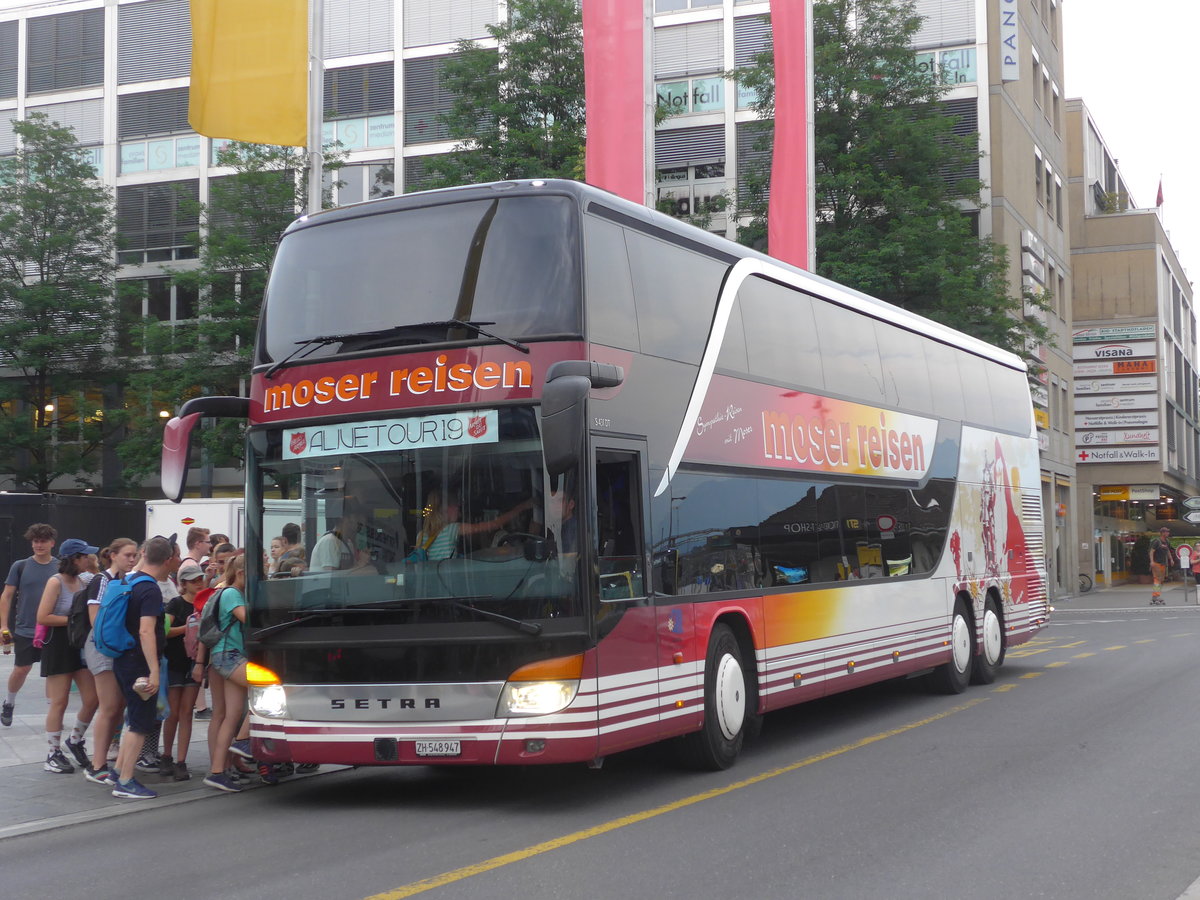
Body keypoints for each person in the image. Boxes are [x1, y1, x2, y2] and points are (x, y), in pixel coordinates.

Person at [110, 536, 172, 800]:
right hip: (140, 664)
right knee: (139, 722)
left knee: (131, 716)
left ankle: (117, 769)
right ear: (168, 560)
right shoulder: (150, 589)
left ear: (144, 554)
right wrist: (154, 671)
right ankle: (125, 781)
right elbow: (146, 631)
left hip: (123, 658)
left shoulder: (130, 580)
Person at [35, 538, 100, 774]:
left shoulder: (83, 581)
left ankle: (75, 740)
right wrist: (75, 621)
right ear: (74, 558)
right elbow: (43, 616)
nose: (89, 560)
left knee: (93, 698)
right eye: (85, 557)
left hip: (78, 644)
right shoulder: (56, 582)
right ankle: (52, 753)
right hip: (58, 645)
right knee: (59, 701)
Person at [83, 538, 139, 783]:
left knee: (116, 706)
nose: (132, 559)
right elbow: (96, 621)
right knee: (108, 707)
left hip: (114, 647)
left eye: (135, 555)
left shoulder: (123, 580)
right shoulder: (102, 580)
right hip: (102, 647)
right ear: (113, 555)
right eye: (128, 555)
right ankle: (96, 764)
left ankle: (104, 759)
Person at [196, 552, 251, 792]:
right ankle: (243, 740)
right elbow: (248, 619)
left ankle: (217, 772)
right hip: (229, 655)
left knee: (232, 713)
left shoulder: (229, 591)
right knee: (271, 688)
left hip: (227, 656)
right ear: (240, 573)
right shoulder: (231, 593)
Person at [0, 524, 59, 727]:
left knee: (53, 672)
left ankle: (54, 712)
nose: (39, 545)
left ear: (52, 543)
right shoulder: (21, 565)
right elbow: (6, 596)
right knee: (21, 669)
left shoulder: (60, 567)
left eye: (43, 541)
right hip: (26, 627)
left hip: (52, 628)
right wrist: (3, 626)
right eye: (36, 541)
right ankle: (9, 702)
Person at [159, 561, 205, 781]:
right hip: (176, 661)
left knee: (186, 713)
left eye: (200, 579)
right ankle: (167, 755)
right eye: (194, 580)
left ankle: (180, 760)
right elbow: (164, 631)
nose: (199, 583)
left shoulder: (203, 604)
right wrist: (187, 627)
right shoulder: (176, 604)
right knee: (173, 713)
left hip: (194, 662)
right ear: (183, 583)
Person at [413, 490, 532, 561]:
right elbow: (495, 524)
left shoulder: (420, 535)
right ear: (448, 508)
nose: (459, 513)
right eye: (458, 507)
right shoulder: (452, 529)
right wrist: (522, 507)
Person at [1150, 527, 1177, 606]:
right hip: (1156, 563)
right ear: (1162, 533)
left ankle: (1156, 596)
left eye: (1168, 532)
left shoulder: (1167, 541)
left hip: (1163, 564)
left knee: (1161, 581)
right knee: (1157, 580)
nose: (1168, 533)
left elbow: (1168, 550)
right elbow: (1151, 551)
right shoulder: (1157, 541)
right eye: (1167, 532)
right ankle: (1156, 596)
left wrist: (1171, 559)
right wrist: (1152, 561)